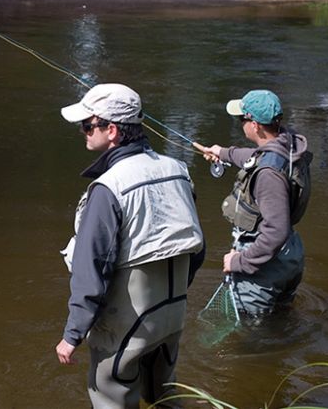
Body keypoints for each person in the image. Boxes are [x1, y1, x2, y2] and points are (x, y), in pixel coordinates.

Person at [55, 83, 204, 408]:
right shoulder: (178, 170)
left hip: (127, 324)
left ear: (111, 130)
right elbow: (197, 249)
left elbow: (92, 268)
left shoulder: (109, 188)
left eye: (87, 125)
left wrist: (73, 334)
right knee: (165, 396)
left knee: (111, 397)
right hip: (173, 315)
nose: (83, 132)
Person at [202, 89, 312, 317]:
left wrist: (240, 261)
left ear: (255, 125)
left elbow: (274, 232)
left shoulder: (268, 175)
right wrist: (222, 153)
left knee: (251, 338)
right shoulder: (287, 145)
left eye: (242, 119)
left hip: (266, 263)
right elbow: (255, 156)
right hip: (290, 255)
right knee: (280, 324)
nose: (240, 123)